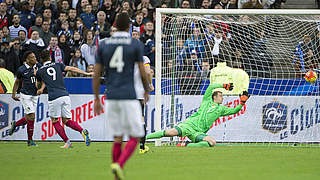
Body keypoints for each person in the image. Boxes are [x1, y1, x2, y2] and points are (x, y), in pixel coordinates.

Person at [93, 12, 150, 180]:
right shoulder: (135, 44)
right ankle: (119, 164)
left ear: (115, 25)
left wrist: (96, 98)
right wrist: (146, 90)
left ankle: (116, 176)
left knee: (117, 138)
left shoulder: (103, 45)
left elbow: (96, 74)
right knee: (135, 135)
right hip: (129, 95)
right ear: (129, 27)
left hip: (111, 96)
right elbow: (142, 71)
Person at [146, 83, 250, 147]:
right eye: (221, 96)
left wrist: (242, 102)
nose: (222, 98)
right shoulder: (206, 101)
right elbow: (211, 86)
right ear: (214, 97)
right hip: (189, 125)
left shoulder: (221, 109)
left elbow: (235, 111)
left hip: (198, 132)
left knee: (212, 143)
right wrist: (223, 86)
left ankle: (186, 145)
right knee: (170, 132)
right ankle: (143, 138)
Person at [34, 50, 92, 148]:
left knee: (55, 121)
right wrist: (86, 73)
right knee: (66, 120)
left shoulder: (40, 71)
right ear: (50, 58)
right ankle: (82, 131)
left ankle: (67, 142)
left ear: (41, 59)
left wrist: (36, 76)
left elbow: (38, 86)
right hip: (65, 95)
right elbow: (71, 68)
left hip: (54, 97)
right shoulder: (58, 65)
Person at [9, 51, 42, 146]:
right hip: (25, 95)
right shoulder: (21, 70)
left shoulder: (38, 66)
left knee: (29, 118)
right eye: (32, 57)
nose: (35, 58)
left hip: (35, 95)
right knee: (32, 116)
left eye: (35, 56)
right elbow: (17, 82)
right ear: (27, 60)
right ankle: (30, 140)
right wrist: (13, 94)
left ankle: (16, 124)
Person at [136, 56, 154, 154]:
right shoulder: (144, 58)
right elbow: (148, 72)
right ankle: (142, 147)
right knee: (141, 119)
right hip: (138, 93)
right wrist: (150, 84)